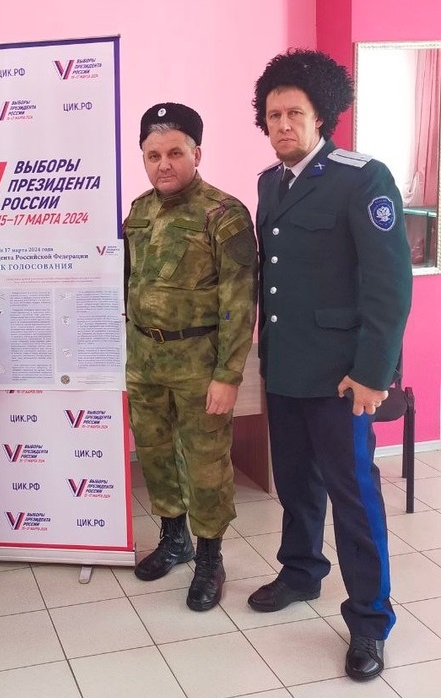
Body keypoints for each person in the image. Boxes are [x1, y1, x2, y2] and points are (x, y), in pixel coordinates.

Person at [248, 49, 412, 681]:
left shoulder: (361, 178)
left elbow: (389, 284)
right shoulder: (270, 183)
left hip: (343, 377)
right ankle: (301, 571)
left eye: (295, 113)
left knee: (354, 496)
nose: (283, 124)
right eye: (273, 115)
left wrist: (373, 372)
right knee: (295, 482)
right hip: (286, 367)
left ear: (322, 116)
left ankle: (370, 618)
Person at [124, 103, 258, 611]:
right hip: (145, 361)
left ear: (196, 154)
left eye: (175, 153)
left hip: (200, 365)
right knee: (155, 455)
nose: (164, 164)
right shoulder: (138, 211)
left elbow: (239, 302)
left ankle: (209, 558)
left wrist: (229, 375)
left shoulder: (224, 214)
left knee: (206, 463)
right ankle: (174, 538)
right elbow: (130, 286)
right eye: (153, 155)